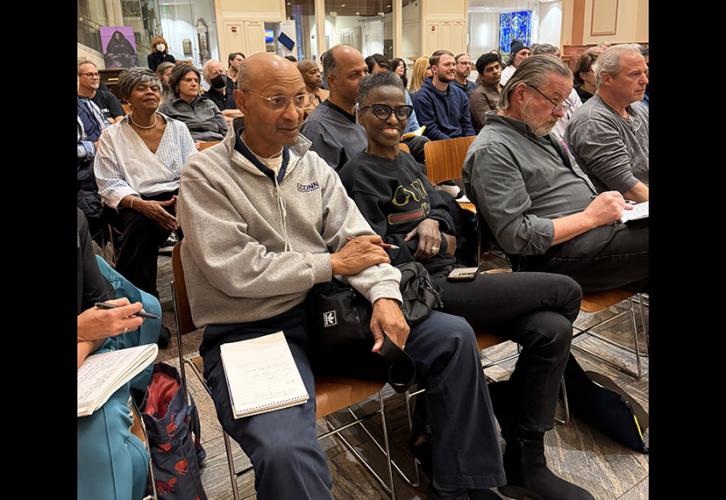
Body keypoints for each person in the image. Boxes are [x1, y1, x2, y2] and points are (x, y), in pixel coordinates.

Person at [176, 51, 530, 500]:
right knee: (285, 451)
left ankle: (464, 487)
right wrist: (330, 264)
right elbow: (235, 269)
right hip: (252, 328)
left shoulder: (311, 165)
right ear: (241, 100)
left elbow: (361, 242)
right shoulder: (206, 175)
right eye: (276, 100)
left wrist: (384, 297)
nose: (293, 114)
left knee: (451, 337)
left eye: (301, 99)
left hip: (329, 310)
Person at [340, 70, 594, 500]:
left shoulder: (406, 159)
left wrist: (435, 223)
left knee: (552, 328)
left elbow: (448, 210)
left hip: (449, 274)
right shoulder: (356, 175)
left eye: (401, 111)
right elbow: (369, 251)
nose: (392, 120)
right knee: (565, 291)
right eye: (380, 110)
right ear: (361, 113)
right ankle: (500, 407)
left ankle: (525, 459)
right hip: (420, 291)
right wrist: (418, 239)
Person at [462, 55, 648, 293]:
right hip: (552, 256)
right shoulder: (493, 150)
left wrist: (605, 208)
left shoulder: (538, 131)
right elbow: (516, 236)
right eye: (555, 101)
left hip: (592, 235)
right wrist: (591, 217)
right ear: (521, 94)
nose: (561, 114)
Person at [94, 67, 197, 346]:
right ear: (127, 97)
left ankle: (206, 300)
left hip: (179, 194)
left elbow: (194, 169)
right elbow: (107, 181)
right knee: (142, 227)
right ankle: (143, 308)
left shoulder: (178, 129)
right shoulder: (112, 135)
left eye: (154, 87)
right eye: (141, 88)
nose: (150, 91)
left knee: (207, 218)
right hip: (134, 199)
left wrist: (183, 196)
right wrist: (142, 205)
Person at [77, 208, 161, 500]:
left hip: (87, 383)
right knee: (118, 450)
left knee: (128, 453)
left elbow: (99, 313)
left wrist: (85, 335)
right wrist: (82, 331)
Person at [565, 44, 649, 201]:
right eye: (635, 74)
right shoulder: (592, 120)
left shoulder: (639, 108)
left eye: (645, 72)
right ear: (606, 79)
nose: (645, 80)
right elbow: (627, 188)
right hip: (621, 214)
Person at [300, 44, 368, 170]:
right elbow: (321, 185)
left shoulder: (361, 114)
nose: (364, 80)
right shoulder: (317, 129)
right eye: (355, 75)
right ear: (332, 81)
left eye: (365, 71)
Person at [365, 53, 429, 163]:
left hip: (404, 140)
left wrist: (406, 135)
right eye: (378, 76)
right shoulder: (365, 98)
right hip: (377, 143)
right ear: (368, 76)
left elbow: (414, 125)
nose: (384, 81)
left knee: (423, 143)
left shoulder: (402, 94)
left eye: (387, 75)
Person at [412, 50, 476, 141]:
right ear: (434, 69)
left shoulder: (460, 94)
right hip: (439, 146)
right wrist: (455, 145)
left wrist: (470, 142)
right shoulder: (422, 97)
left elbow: (467, 125)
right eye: (447, 65)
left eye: (453, 64)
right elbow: (430, 130)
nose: (452, 68)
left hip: (461, 144)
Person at [78, 72, 111, 244]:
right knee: (92, 211)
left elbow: (107, 131)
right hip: (84, 173)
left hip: (102, 165)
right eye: (88, 74)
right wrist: (94, 146)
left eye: (96, 73)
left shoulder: (89, 104)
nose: (95, 77)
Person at [530, 43, 582, 148]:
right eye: (552, 63)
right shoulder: (534, 93)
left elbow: (581, 120)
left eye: (559, 60)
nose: (559, 66)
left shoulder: (571, 91)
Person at [159, 64, 228, 141]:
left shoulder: (209, 104)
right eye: (188, 80)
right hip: (188, 148)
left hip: (216, 146)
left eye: (196, 80)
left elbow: (226, 133)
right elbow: (165, 138)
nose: (194, 84)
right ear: (177, 84)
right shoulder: (167, 108)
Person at [78, 58, 124, 123]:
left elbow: (120, 121)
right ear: (78, 77)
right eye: (90, 74)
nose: (95, 78)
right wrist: (107, 121)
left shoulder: (108, 96)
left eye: (96, 74)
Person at [469, 52, 503, 132]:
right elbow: (488, 123)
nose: (495, 71)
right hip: (493, 136)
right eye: (490, 69)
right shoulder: (478, 94)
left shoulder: (506, 89)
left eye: (497, 67)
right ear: (481, 76)